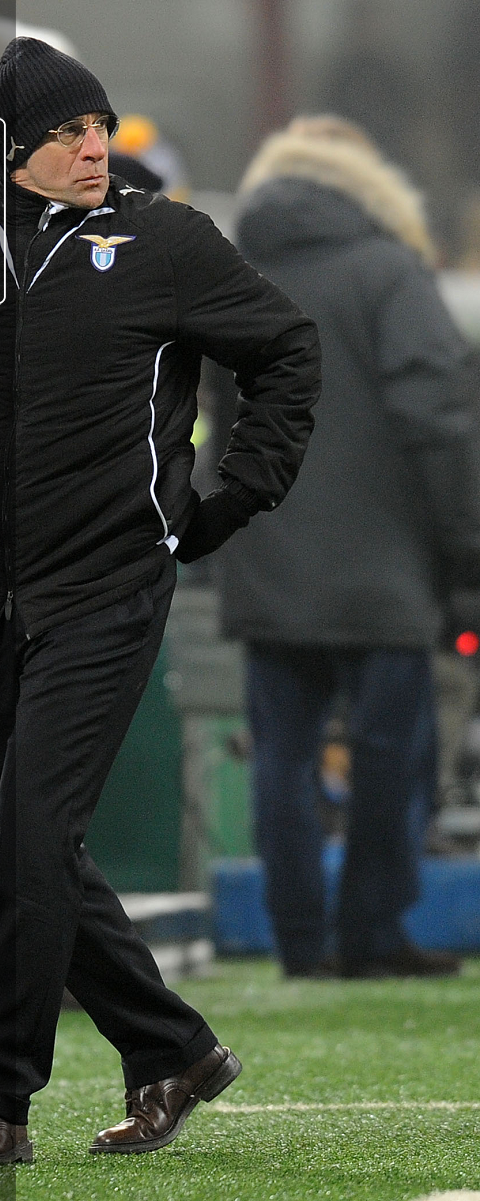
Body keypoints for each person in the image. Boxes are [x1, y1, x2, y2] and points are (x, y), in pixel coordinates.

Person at [0, 37, 320, 1165]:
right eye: (68, 131)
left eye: (100, 127)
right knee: (20, 847)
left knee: (30, 837)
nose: (93, 147)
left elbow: (286, 348)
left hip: (109, 585)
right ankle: (172, 1048)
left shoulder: (164, 238)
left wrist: (231, 498)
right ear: (15, 148)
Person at [218, 115, 480, 979]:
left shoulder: (235, 272)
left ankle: (299, 940)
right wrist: (465, 543)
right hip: (387, 564)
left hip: (266, 550)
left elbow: (208, 416)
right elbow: (435, 418)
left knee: (283, 758)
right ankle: (373, 931)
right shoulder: (389, 270)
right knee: (390, 755)